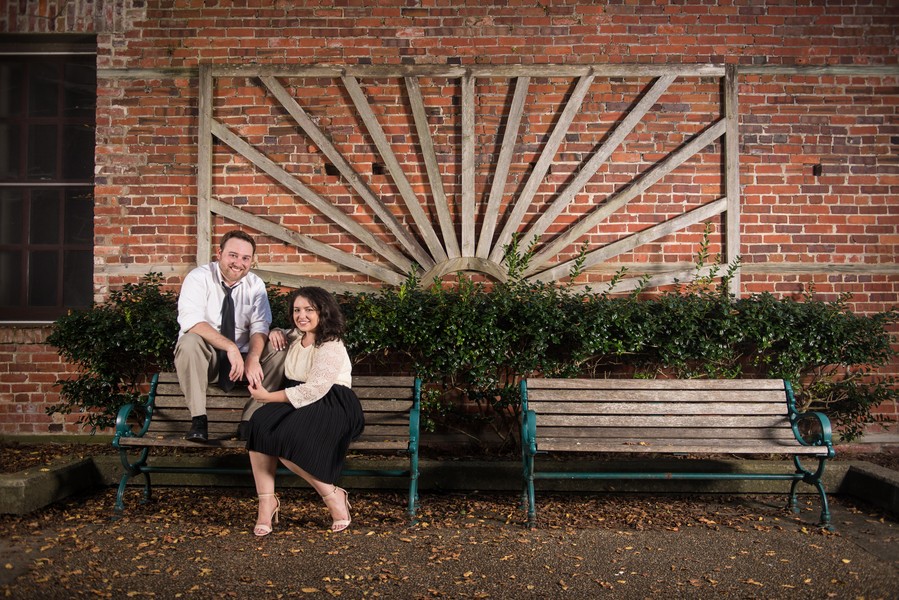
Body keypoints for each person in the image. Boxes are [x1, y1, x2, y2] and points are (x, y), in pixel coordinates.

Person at [245, 286, 364, 536]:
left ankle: (332, 495)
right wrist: (275, 331)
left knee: (289, 441)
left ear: (324, 312)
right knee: (259, 424)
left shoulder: (331, 343)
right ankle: (267, 501)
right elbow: (278, 333)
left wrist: (267, 396)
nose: (302, 315)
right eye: (297, 310)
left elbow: (316, 389)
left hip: (333, 402)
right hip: (299, 398)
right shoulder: (295, 337)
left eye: (309, 310)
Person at [174, 230, 288, 442]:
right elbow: (191, 321)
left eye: (246, 258)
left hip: (244, 363)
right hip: (207, 359)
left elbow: (259, 326)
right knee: (189, 342)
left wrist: (253, 358)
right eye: (233, 255)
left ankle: (249, 420)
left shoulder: (255, 285)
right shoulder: (199, 278)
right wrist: (230, 347)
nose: (238, 263)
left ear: (252, 261)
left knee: (280, 347)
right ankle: (199, 420)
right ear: (219, 253)